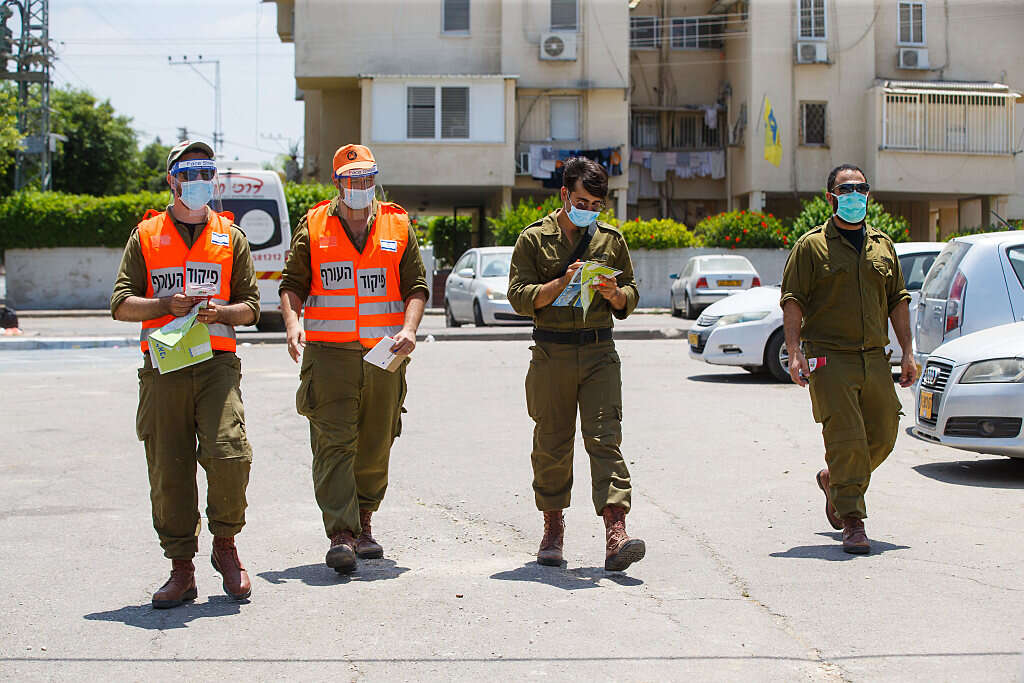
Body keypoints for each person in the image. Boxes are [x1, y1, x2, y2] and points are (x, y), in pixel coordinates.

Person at [111, 140, 260, 607]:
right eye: (188, 173)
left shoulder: (231, 236)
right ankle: (181, 569)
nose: (198, 182)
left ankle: (225, 544)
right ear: (172, 180)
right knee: (169, 467)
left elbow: (252, 307)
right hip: (165, 366)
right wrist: (163, 304)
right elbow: (120, 304)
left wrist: (222, 313)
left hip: (216, 365)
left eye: (205, 173)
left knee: (230, 454)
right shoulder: (146, 235)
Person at [279, 144, 428, 573]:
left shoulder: (398, 224)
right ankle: (341, 534)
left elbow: (416, 286)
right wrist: (293, 324)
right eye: (351, 179)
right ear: (337, 183)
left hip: (385, 354)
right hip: (330, 355)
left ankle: (365, 522)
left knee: (376, 442)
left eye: (366, 178)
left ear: (374, 179)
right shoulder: (313, 225)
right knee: (333, 443)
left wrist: (410, 329)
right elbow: (292, 285)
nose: (360, 186)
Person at [507, 157, 646, 572]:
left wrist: (616, 294)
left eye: (597, 205)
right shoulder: (534, 239)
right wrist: (561, 282)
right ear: (565, 194)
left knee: (605, 439)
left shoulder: (611, 240)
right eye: (582, 202)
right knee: (552, 442)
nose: (589, 210)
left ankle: (616, 532)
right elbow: (518, 296)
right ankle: (553, 527)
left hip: (599, 352)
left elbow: (631, 293)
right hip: (552, 353)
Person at [780, 163, 917, 554]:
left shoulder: (882, 245)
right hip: (830, 357)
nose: (855, 195)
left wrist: (908, 352)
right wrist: (794, 352)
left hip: (874, 356)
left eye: (861, 189)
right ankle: (853, 520)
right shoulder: (811, 246)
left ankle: (835, 480)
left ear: (868, 195)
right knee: (847, 438)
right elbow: (792, 300)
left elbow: (898, 300)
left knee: (885, 433)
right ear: (831, 198)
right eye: (846, 190)